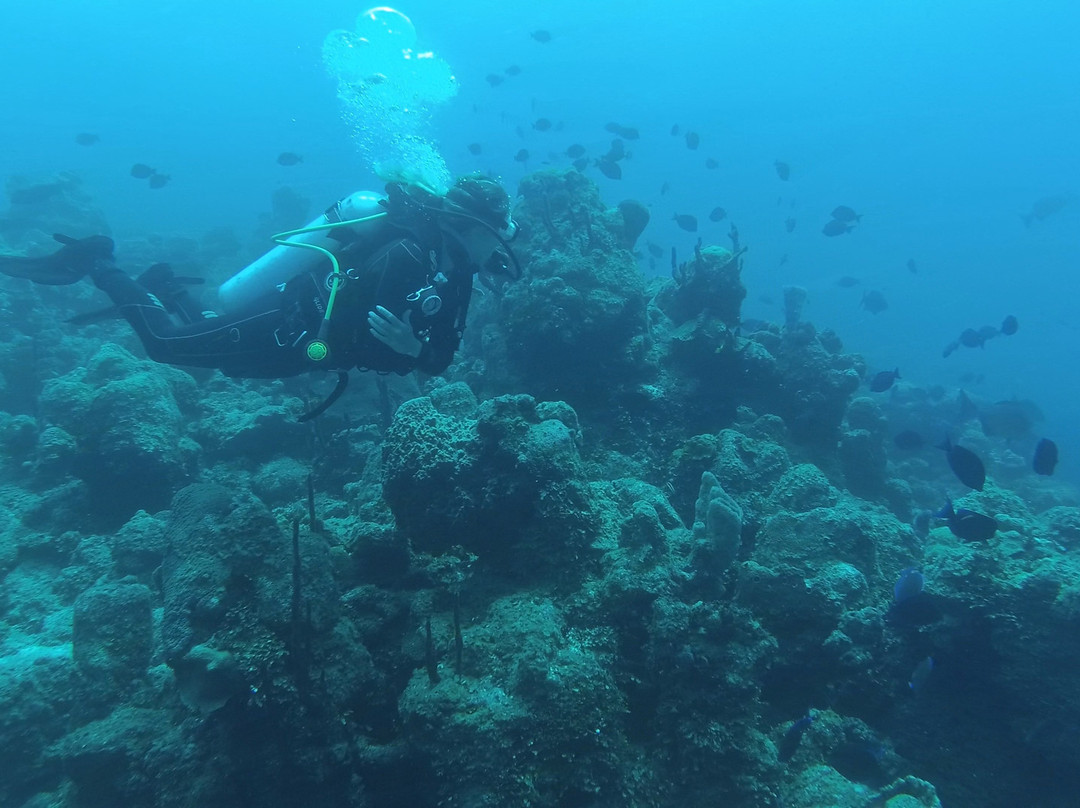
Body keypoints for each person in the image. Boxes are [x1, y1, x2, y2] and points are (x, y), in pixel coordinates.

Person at [0, 175, 520, 416]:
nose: (497, 249)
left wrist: (411, 351)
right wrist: (401, 351)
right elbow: (343, 326)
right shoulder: (408, 256)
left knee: (224, 361)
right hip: (285, 328)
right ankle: (98, 261)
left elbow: (440, 358)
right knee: (167, 345)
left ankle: (162, 285)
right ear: (471, 227)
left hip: (297, 353)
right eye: (494, 235)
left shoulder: (456, 278)